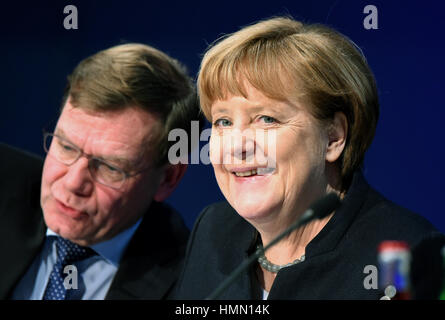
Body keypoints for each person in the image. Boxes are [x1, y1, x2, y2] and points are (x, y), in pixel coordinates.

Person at [174, 17, 443, 299]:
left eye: (267, 119)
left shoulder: (405, 257)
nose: (235, 146)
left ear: (333, 137)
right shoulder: (214, 230)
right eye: (223, 122)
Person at [0, 43, 201, 300]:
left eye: (109, 167)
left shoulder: (195, 285)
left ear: (168, 178)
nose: (74, 183)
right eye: (66, 146)